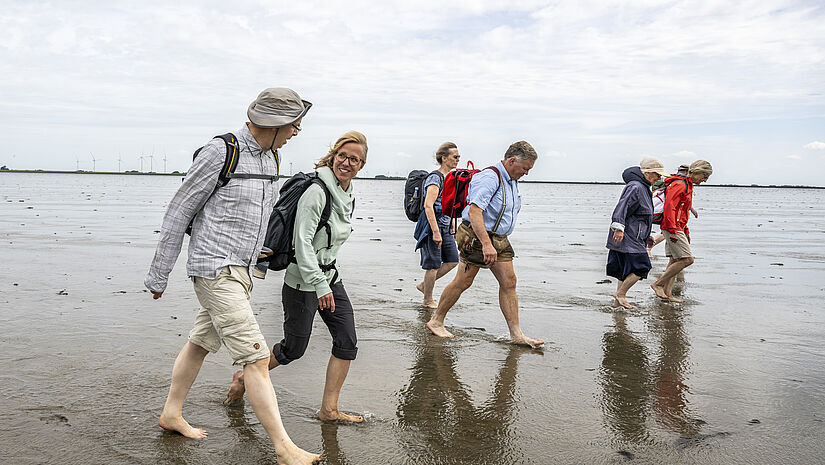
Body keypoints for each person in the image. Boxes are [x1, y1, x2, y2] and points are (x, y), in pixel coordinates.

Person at [145, 88, 321, 464]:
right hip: (213, 268)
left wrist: (261, 256)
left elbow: (258, 215)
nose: (297, 131)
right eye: (293, 124)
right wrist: (159, 275)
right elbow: (178, 212)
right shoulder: (220, 152)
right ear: (273, 124)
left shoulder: (273, 157)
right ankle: (285, 449)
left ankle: (171, 413)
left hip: (241, 270)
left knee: (200, 343)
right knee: (256, 359)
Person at [226, 131, 368, 424]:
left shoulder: (347, 192)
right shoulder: (317, 191)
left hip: (331, 278)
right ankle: (243, 378)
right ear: (333, 155)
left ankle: (328, 410)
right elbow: (302, 244)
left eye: (354, 159)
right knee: (293, 349)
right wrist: (319, 286)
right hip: (303, 283)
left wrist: (327, 282)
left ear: (361, 165)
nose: (346, 162)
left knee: (347, 342)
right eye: (342, 155)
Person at [426, 141, 544, 347]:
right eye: (525, 168)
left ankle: (516, 334)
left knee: (509, 282)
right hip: (477, 237)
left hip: (499, 238)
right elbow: (474, 212)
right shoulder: (490, 178)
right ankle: (436, 321)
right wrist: (486, 244)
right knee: (464, 281)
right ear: (512, 160)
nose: (526, 173)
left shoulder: (511, 180)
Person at [606, 157, 666, 309]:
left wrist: (648, 237)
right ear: (647, 173)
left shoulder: (644, 187)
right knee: (642, 267)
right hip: (627, 236)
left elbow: (642, 218)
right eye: (657, 174)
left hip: (636, 236)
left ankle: (616, 306)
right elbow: (622, 208)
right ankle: (620, 294)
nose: (659, 178)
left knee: (623, 271)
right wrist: (619, 229)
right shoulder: (636, 187)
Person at [650, 160, 713, 302]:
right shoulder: (680, 184)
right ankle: (658, 284)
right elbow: (669, 207)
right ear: (697, 172)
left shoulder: (687, 185)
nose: (704, 180)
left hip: (678, 227)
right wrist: (672, 230)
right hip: (672, 227)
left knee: (675, 260)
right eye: (704, 176)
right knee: (688, 259)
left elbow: (682, 211)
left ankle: (668, 294)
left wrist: (686, 231)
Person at [414, 142, 461, 308]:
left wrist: (453, 229)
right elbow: (428, 205)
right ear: (444, 158)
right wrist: (435, 231)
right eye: (455, 157)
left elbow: (449, 207)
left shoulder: (451, 178)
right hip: (431, 227)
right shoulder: (435, 178)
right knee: (433, 265)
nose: (458, 159)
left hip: (446, 226)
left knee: (453, 260)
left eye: (458, 157)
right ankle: (427, 300)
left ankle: (423, 286)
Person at [647, 164, 698, 258]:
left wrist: (691, 209)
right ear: (688, 172)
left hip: (674, 219)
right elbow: (671, 204)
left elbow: (682, 201)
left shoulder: (676, 181)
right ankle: (649, 247)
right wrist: (673, 230)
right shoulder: (679, 183)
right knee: (685, 258)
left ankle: (650, 246)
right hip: (671, 219)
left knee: (675, 257)